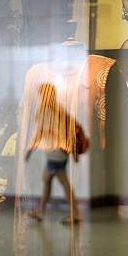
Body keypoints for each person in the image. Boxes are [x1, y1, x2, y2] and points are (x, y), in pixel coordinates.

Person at [24, 82, 82, 223]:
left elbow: (43, 134)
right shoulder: (55, 111)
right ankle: (41, 211)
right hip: (56, 154)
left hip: (56, 154)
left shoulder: (49, 112)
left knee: (62, 182)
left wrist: (29, 151)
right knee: (48, 180)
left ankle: (75, 214)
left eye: (42, 94)